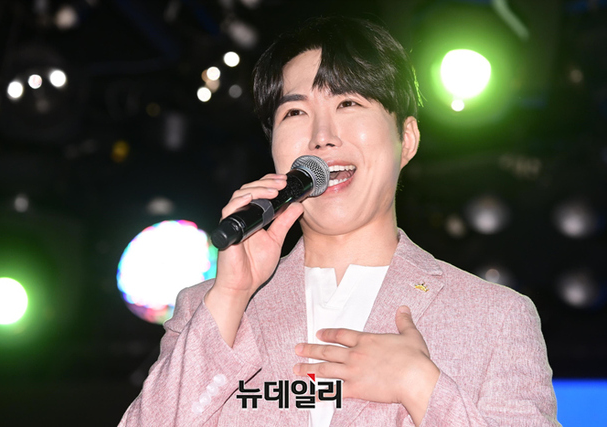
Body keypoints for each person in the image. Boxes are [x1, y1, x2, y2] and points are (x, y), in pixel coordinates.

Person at [118, 16, 559, 427]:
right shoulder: (208, 309)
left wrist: (422, 387)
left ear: (406, 140)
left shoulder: (494, 318)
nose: (322, 136)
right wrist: (232, 295)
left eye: (348, 102)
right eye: (295, 112)